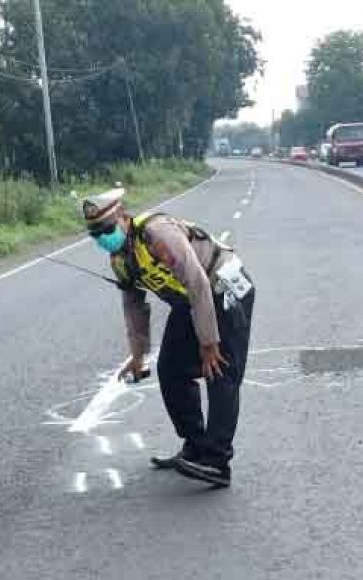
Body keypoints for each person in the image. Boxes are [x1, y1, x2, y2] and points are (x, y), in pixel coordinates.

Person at [82, 189, 255, 488]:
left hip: (222, 287)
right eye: (95, 234)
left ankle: (216, 461)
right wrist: (138, 358)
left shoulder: (156, 233)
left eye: (108, 229)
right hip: (189, 301)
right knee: (171, 369)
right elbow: (134, 307)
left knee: (220, 371)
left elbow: (198, 281)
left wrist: (209, 343)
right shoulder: (120, 259)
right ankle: (196, 445)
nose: (103, 237)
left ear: (124, 217)